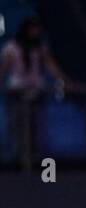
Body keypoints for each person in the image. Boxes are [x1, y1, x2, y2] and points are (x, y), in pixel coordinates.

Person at [0, 17, 67, 165]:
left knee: (34, 124)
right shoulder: (11, 47)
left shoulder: (40, 47)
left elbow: (50, 66)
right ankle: (17, 155)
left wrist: (65, 80)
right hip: (16, 90)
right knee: (16, 123)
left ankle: (32, 154)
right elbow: (4, 69)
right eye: (33, 29)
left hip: (36, 89)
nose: (36, 32)